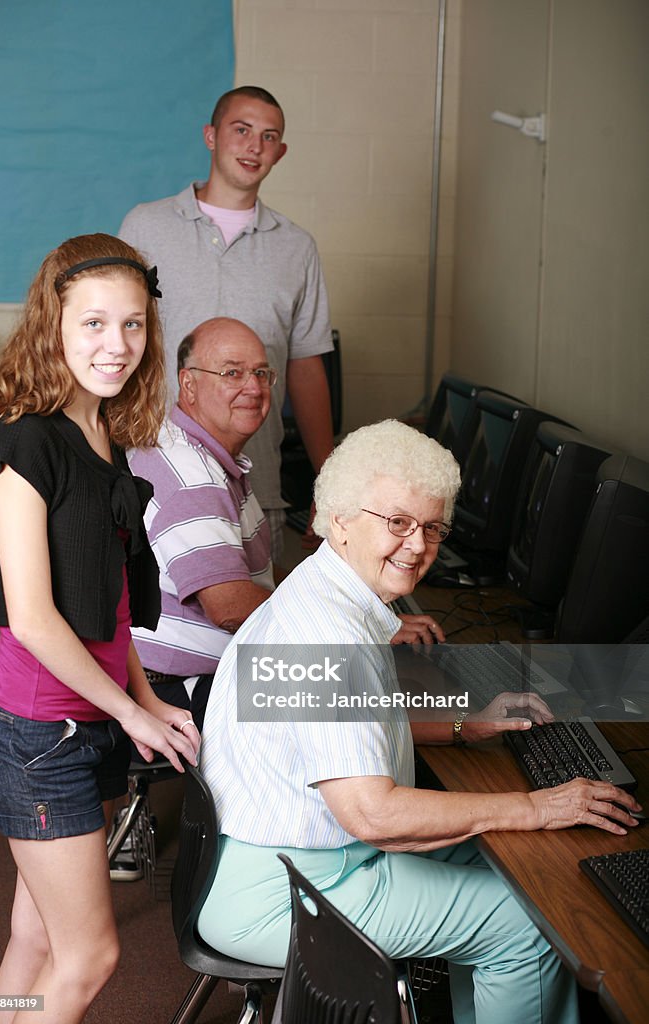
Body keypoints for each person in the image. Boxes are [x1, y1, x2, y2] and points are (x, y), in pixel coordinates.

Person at [196, 419, 642, 1024]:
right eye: (398, 522)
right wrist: (537, 806)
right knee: (530, 927)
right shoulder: (329, 634)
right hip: (290, 889)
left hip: (281, 859)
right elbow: (373, 815)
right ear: (341, 517)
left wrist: (466, 723)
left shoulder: (320, 590)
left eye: (432, 527)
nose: (418, 545)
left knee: (516, 864)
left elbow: (341, 718)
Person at [0, 234, 200, 1024]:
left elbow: (112, 610)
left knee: (34, 933)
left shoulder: (108, 436)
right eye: (94, 324)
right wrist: (132, 710)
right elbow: (33, 618)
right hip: (33, 735)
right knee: (92, 955)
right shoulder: (22, 443)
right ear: (52, 325)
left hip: (86, 722)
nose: (117, 345)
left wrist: (142, 698)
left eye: (132, 325)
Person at [119, 85, 334, 560]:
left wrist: (330, 480)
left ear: (280, 151)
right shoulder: (145, 227)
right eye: (242, 130)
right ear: (211, 136)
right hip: (149, 478)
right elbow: (114, 350)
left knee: (254, 623)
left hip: (259, 484)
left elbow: (305, 366)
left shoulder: (296, 247)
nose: (254, 146)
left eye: (269, 136)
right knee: (152, 628)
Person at [128, 316, 275, 730]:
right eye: (233, 373)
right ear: (188, 384)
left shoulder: (186, 444)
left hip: (184, 670)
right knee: (360, 694)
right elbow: (229, 608)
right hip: (181, 686)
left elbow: (253, 578)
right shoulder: (194, 478)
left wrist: (353, 602)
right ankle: (467, 726)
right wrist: (353, 623)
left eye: (261, 373)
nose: (254, 387)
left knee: (372, 674)